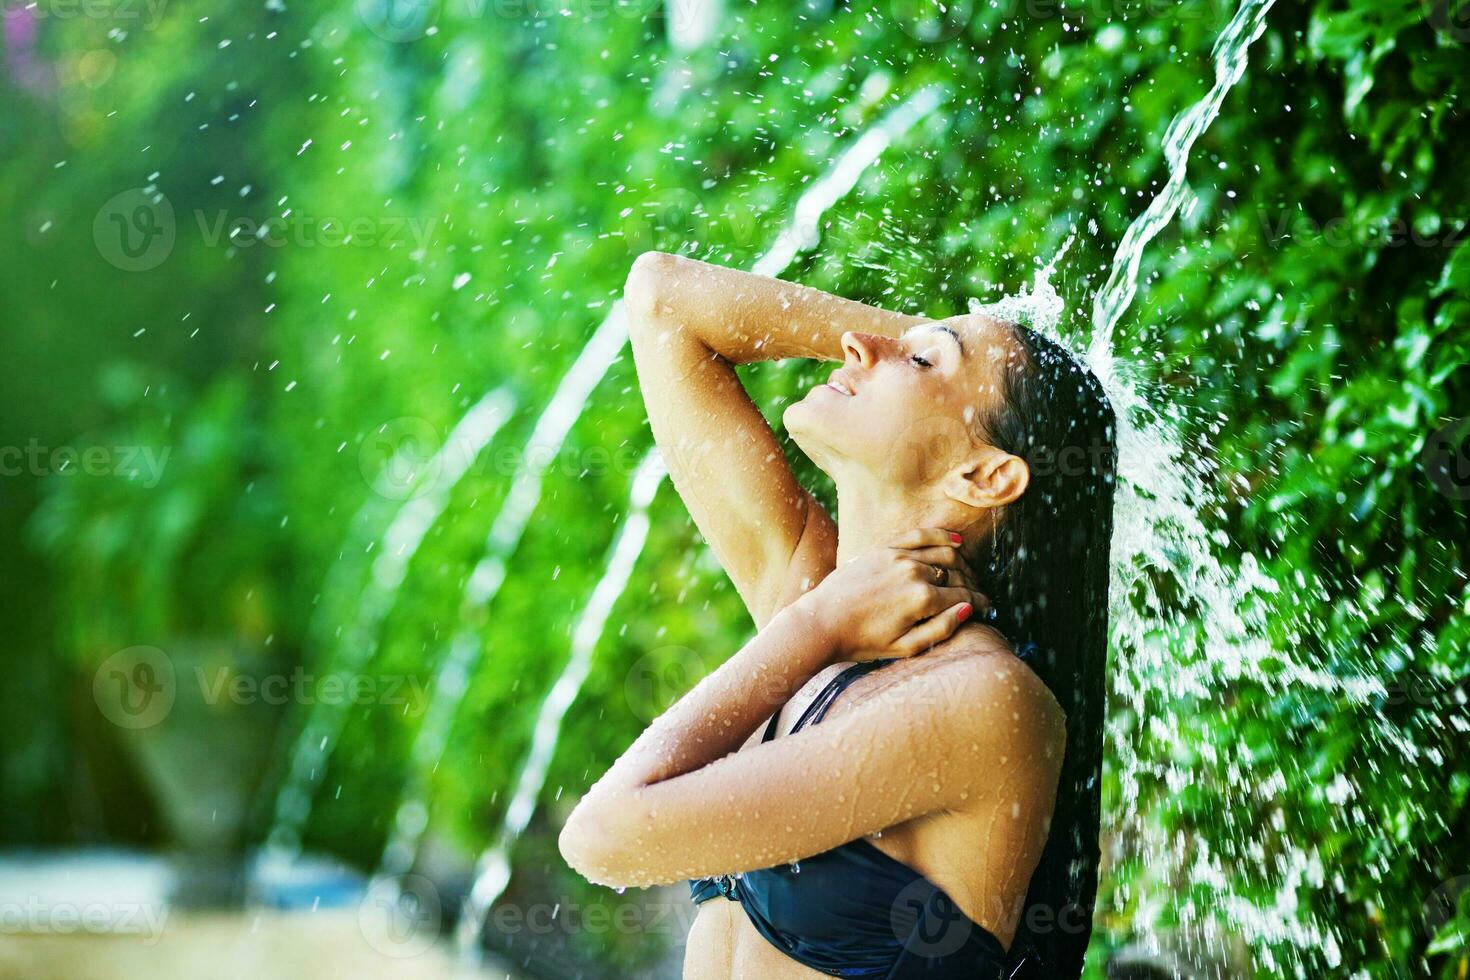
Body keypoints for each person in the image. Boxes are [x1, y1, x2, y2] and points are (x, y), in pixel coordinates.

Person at [559, 251, 1117, 979]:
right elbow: (663, 299)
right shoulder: (811, 588)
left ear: (984, 475)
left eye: (919, 360)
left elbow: (603, 840)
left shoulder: (985, 700)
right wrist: (919, 344)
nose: (859, 346)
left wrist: (815, 626)